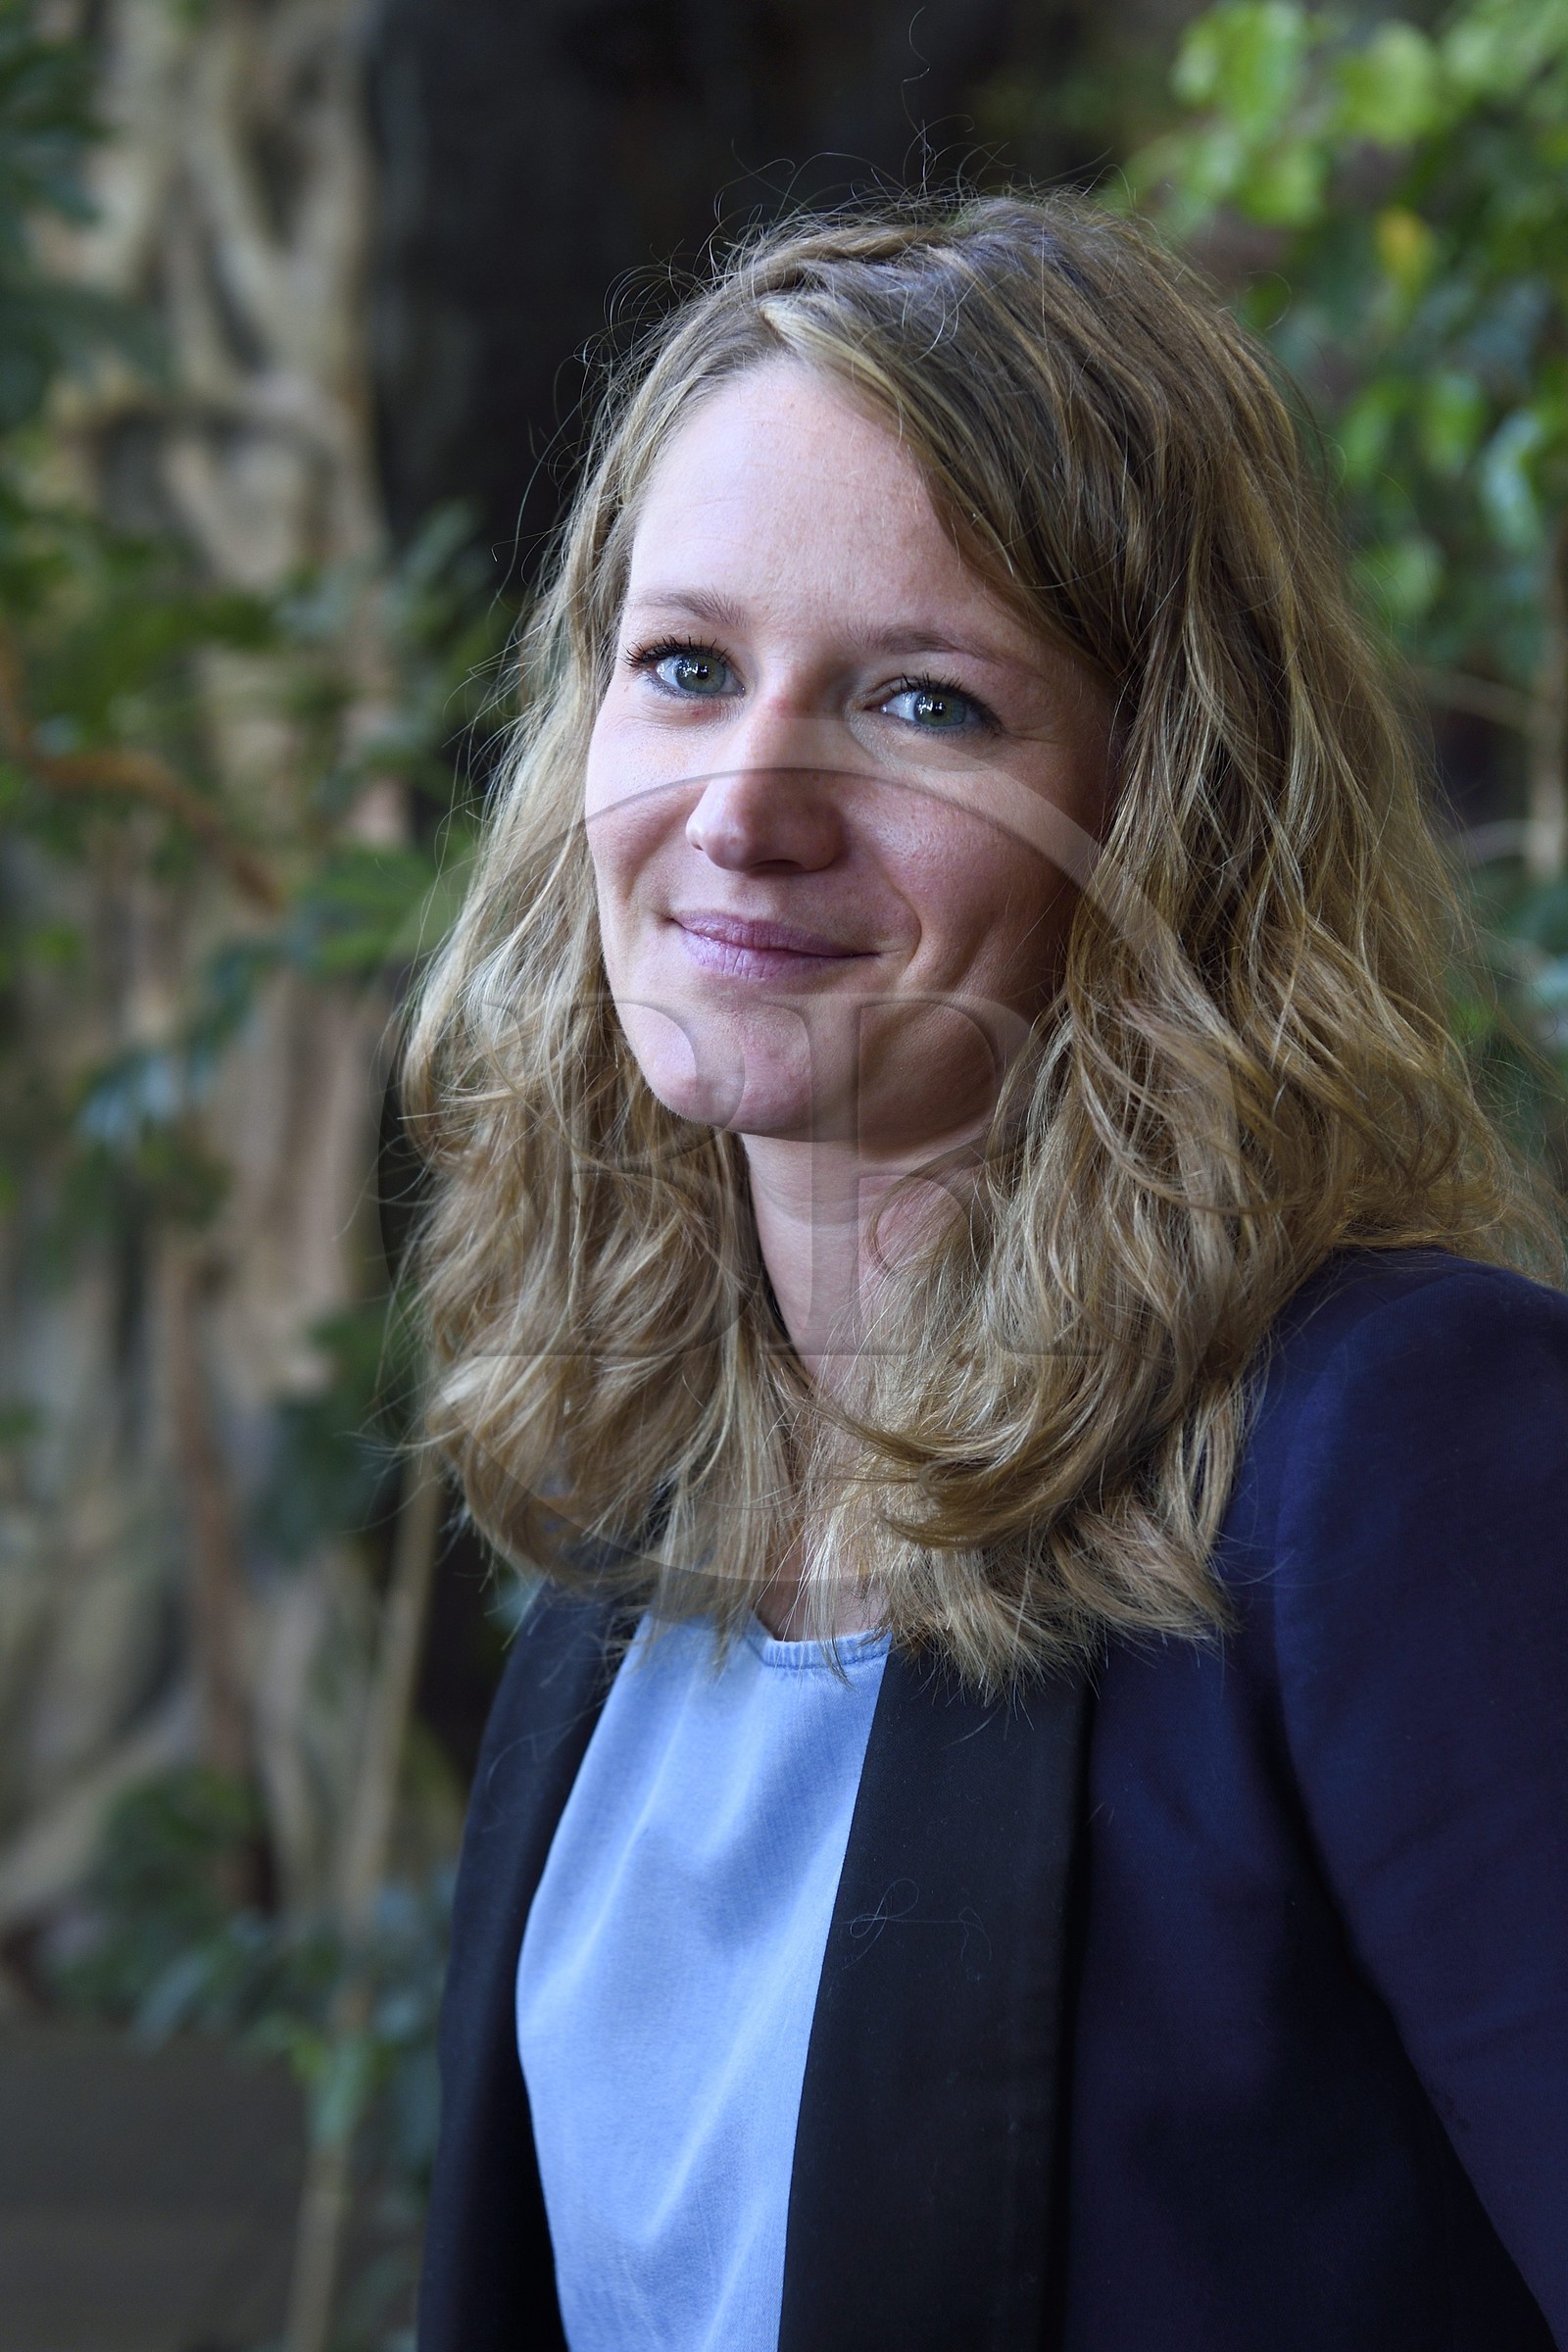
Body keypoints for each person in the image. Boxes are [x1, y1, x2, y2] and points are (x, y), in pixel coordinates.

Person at [404, 194, 1568, 2352]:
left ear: (1168, 811)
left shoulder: (1405, 1457)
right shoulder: (632, 1551)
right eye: (683, 668)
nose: (745, 804)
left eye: (922, 704)